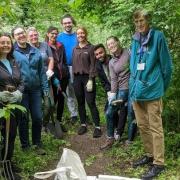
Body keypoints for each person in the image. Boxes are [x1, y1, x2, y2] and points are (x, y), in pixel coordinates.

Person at [129, 9, 172, 179]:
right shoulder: (135, 39)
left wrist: (161, 87)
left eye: (142, 20)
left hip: (153, 91)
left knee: (155, 127)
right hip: (137, 91)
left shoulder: (158, 37)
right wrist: (133, 87)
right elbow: (133, 65)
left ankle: (159, 163)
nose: (139, 24)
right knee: (142, 125)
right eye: (136, 21)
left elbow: (167, 67)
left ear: (148, 21)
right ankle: (149, 155)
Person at [12, 26, 49, 155]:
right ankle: (25, 145)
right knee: (23, 118)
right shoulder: (12, 52)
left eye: (22, 33)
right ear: (14, 37)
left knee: (38, 117)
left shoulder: (35, 51)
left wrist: (45, 89)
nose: (21, 35)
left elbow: (41, 72)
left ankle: (37, 143)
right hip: (21, 91)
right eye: (17, 34)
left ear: (25, 34)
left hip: (35, 90)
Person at [0, 33, 23, 179]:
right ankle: (5, 165)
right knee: (4, 135)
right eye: (2, 42)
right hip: (1, 106)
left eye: (8, 42)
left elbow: (22, 80)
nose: (6, 45)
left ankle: (6, 161)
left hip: (13, 105)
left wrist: (19, 92)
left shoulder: (13, 61)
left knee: (11, 134)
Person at [72, 27, 102, 138]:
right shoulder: (75, 49)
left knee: (90, 102)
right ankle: (83, 124)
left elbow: (93, 65)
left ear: (86, 34)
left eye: (82, 33)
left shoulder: (91, 48)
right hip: (77, 79)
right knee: (80, 102)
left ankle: (97, 126)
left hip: (88, 78)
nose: (80, 35)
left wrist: (91, 79)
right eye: (78, 33)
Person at [27, 27, 55, 131]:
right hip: (35, 83)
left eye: (35, 35)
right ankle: (38, 126)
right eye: (31, 35)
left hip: (46, 80)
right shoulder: (27, 48)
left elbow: (51, 59)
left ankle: (45, 123)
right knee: (37, 107)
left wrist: (50, 70)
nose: (34, 37)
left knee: (50, 105)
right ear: (28, 37)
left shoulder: (45, 45)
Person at [45, 26, 69, 132]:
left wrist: (66, 72)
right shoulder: (45, 46)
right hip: (51, 78)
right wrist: (53, 77)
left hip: (63, 77)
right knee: (51, 101)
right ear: (47, 34)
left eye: (56, 33)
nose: (54, 35)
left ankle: (59, 121)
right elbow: (46, 64)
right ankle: (48, 122)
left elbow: (63, 61)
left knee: (61, 99)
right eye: (52, 33)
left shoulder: (60, 45)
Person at [57, 14, 78, 123]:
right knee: (69, 91)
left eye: (69, 22)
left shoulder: (78, 35)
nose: (67, 25)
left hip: (78, 67)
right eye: (65, 23)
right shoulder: (59, 37)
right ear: (62, 24)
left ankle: (83, 112)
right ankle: (73, 114)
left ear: (72, 23)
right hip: (65, 68)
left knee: (79, 90)